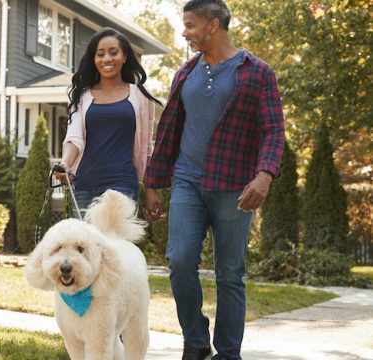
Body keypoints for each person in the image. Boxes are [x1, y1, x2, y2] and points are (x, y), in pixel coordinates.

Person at [143, 1, 285, 359]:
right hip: (188, 181)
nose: (184, 33)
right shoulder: (185, 72)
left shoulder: (257, 72)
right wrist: (153, 184)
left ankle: (228, 352)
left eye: (190, 25)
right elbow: (169, 131)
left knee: (230, 274)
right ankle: (195, 339)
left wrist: (264, 175)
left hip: (235, 186)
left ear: (212, 25)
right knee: (179, 260)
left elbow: (272, 130)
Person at [56, 27, 162, 212]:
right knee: (86, 241)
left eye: (113, 53)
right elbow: (74, 138)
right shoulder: (81, 96)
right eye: (100, 54)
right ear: (94, 59)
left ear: (125, 56)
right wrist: (65, 163)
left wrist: (150, 189)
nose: (106, 59)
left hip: (122, 185)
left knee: (116, 241)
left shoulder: (141, 96)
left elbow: (147, 148)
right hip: (85, 185)